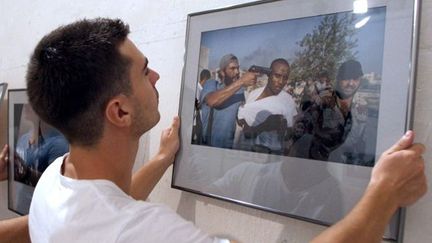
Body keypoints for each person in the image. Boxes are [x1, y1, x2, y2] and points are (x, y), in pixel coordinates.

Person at [0, 18, 427, 243]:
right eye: (145, 71)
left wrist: (164, 160)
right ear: (120, 112)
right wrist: (383, 197)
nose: (157, 78)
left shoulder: (58, 180)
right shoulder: (144, 233)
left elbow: (111, 204)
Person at [235, 58, 297, 154]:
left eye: (285, 78)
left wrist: (285, 130)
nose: (281, 81)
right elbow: (246, 132)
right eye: (277, 76)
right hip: (249, 153)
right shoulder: (253, 94)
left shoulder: (288, 101)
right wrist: (265, 125)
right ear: (269, 74)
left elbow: (288, 137)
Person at [200, 54, 257, 148]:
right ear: (222, 72)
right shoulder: (211, 84)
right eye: (232, 68)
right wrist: (242, 81)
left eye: (238, 68)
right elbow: (212, 101)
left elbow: (241, 121)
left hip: (228, 149)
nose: (237, 72)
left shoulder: (240, 91)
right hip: (208, 147)